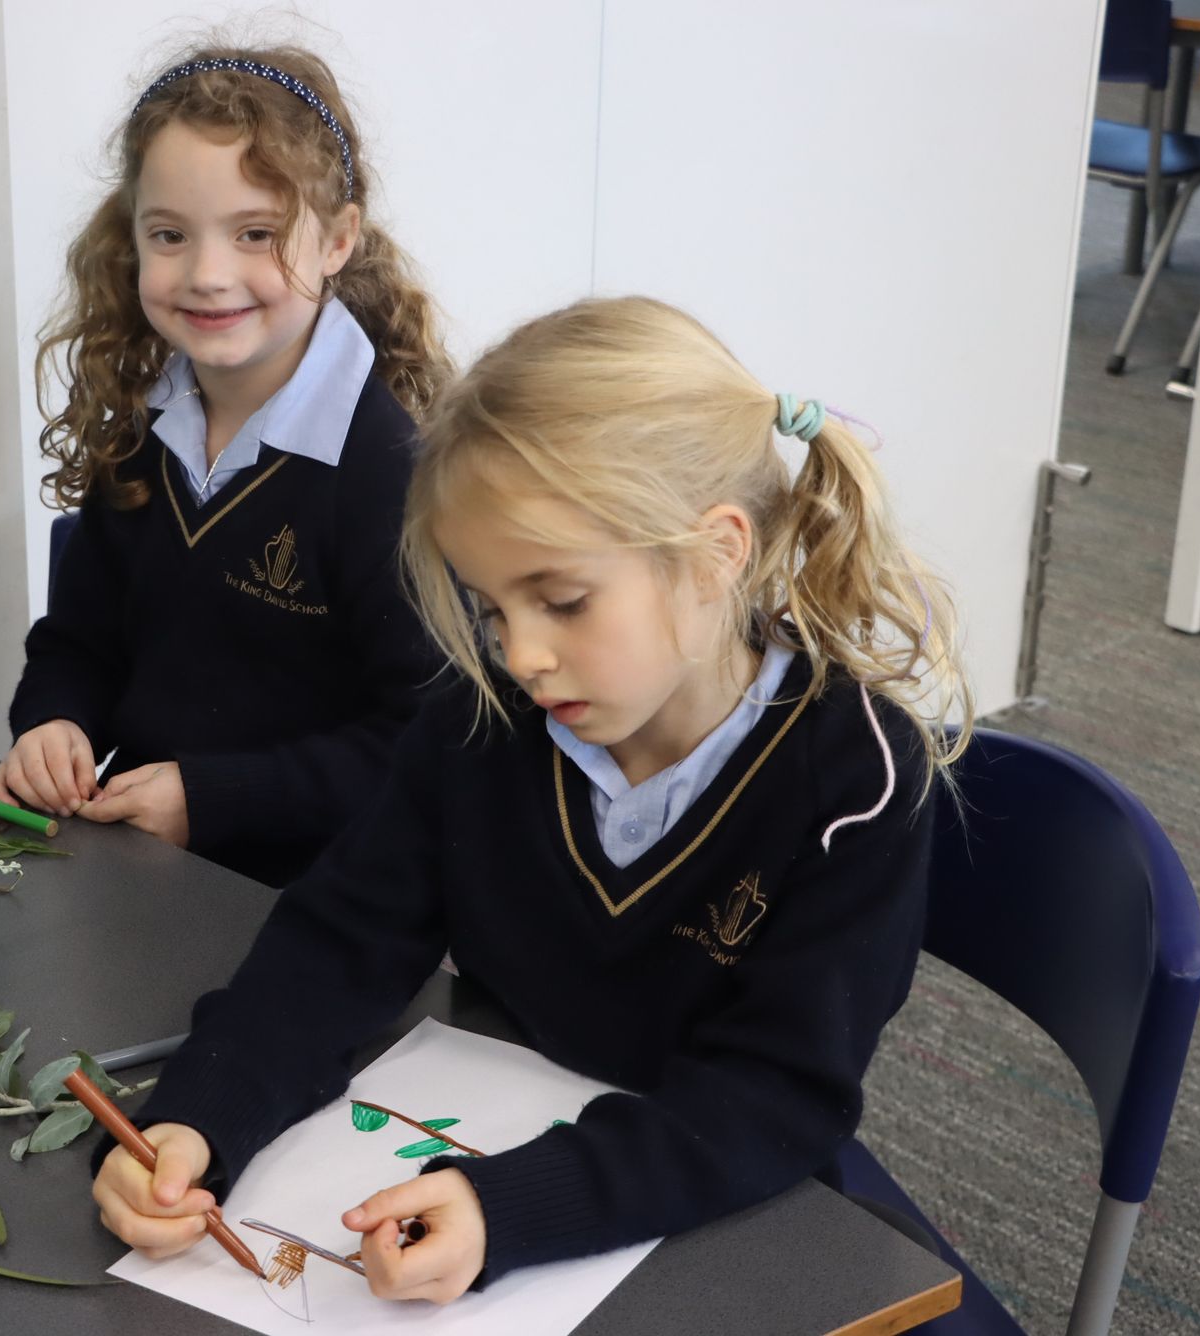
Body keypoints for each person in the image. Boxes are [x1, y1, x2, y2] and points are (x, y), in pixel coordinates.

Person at [89, 296, 975, 1302]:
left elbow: (776, 1095)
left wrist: (511, 1208)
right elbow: (338, 944)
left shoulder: (856, 781)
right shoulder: (481, 718)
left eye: (560, 602)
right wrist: (197, 1118)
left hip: (724, 1211)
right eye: (490, 607)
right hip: (498, 1126)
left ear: (716, 554)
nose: (520, 654)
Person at [0, 44, 449, 888]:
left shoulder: (386, 472)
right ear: (132, 239)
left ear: (338, 240)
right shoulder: (143, 423)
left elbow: (431, 739)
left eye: (256, 235)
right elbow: (79, 643)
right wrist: (55, 723)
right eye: (170, 235)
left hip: (322, 900)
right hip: (139, 867)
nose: (208, 275)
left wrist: (211, 799)